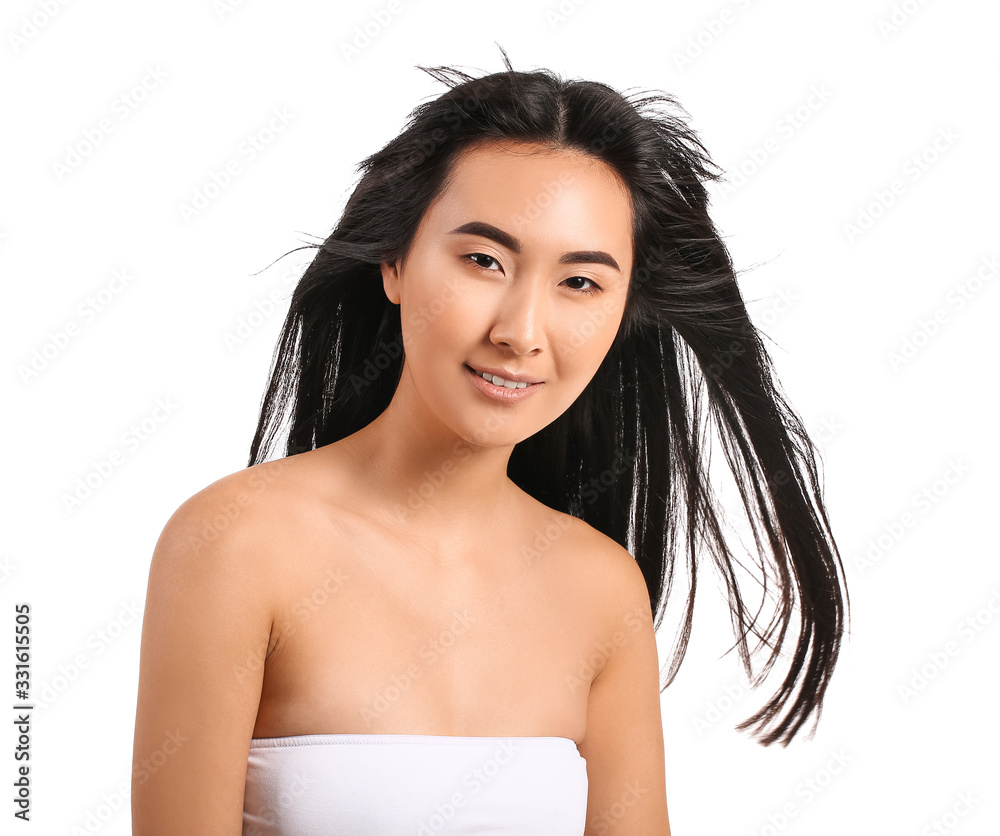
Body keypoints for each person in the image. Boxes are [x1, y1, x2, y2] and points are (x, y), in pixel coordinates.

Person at [131, 46, 848, 835]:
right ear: (395, 261)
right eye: (483, 260)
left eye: (580, 282)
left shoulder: (600, 591)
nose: (521, 333)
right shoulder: (237, 545)